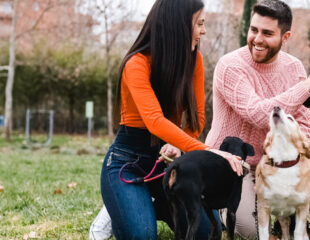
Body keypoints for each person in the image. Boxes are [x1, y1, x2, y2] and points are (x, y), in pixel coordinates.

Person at [90, 0, 243, 239]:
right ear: (178, 26)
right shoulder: (136, 63)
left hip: (168, 164)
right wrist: (210, 151)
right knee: (142, 235)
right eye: (199, 24)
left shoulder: (195, 60)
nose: (203, 31)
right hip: (127, 160)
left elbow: (197, 120)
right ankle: (121, 204)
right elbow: (154, 120)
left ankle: (146, 201)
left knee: (206, 232)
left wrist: (180, 145)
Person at [204, 0, 310, 238]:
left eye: (267, 33)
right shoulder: (230, 66)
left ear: (285, 37)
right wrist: (306, 87)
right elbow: (258, 114)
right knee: (251, 229)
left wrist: (285, 165)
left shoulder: (294, 67)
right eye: (253, 29)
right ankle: (232, 209)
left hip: (276, 162)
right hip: (236, 165)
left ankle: (297, 215)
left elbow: (306, 129)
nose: (257, 39)